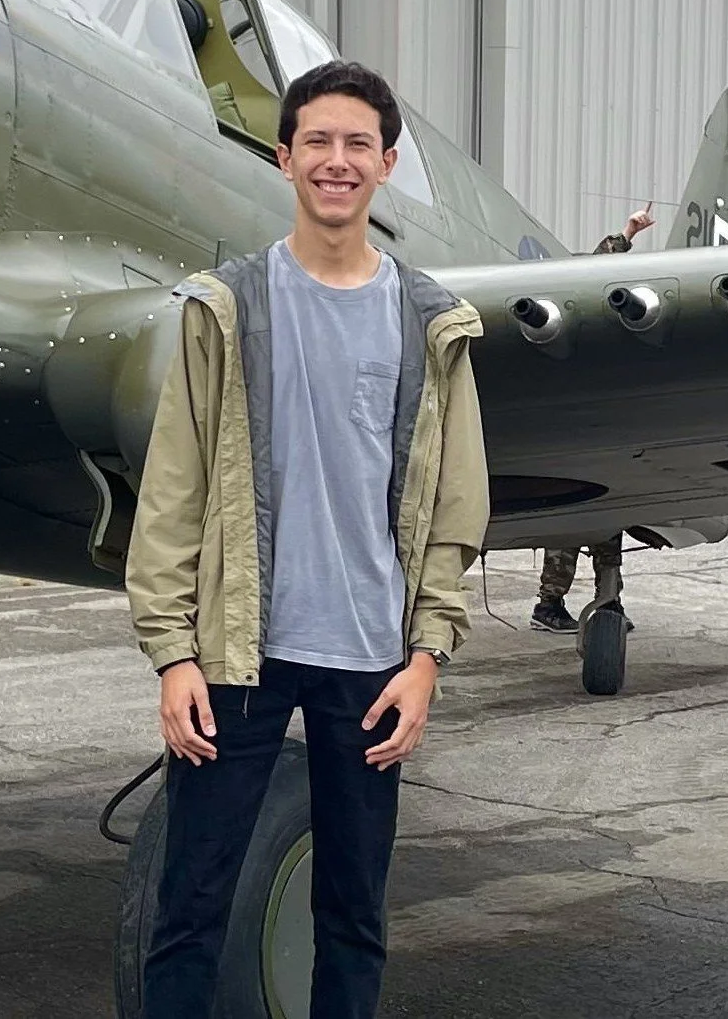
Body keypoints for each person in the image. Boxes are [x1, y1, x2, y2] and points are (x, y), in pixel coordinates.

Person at [127, 61, 489, 1019]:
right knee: (189, 903)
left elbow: (455, 506)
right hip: (237, 655)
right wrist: (173, 654)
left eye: (357, 144)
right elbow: (172, 490)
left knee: (353, 911)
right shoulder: (227, 307)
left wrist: (428, 658)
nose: (337, 161)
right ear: (284, 157)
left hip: (372, 664)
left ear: (387, 164)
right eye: (318, 142)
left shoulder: (431, 324)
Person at [531, 204, 653, 634]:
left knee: (607, 524)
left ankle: (608, 602)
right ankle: (550, 605)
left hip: (602, 435)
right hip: (577, 436)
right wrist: (627, 233)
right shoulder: (574, 324)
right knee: (569, 525)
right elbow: (598, 271)